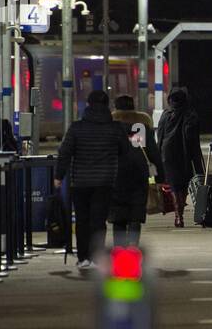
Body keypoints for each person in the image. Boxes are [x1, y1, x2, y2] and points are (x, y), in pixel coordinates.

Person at [55, 89, 133, 269]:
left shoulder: (76, 127)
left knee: (82, 221)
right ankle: (97, 257)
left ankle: (83, 258)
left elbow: (64, 153)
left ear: (88, 105)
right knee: (98, 221)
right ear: (107, 105)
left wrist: (59, 176)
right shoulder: (116, 128)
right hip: (105, 182)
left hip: (80, 182)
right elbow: (125, 152)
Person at [110, 94, 166, 246]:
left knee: (118, 216)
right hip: (139, 174)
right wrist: (160, 177)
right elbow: (153, 153)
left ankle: (119, 249)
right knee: (135, 214)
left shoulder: (111, 127)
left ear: (116, 108)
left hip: (116, 174)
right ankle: (133, 247)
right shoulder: (141, 127)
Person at [157, 87, 204, 228]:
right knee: (183, 185)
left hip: (168, 154)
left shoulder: (166, 115)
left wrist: (157, 158)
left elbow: (160, 137)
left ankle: (178, 215)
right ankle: (180, 212)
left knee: (173, 185)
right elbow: (194, 140)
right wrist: (198, 164)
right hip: (185, 154)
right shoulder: (191, 115)